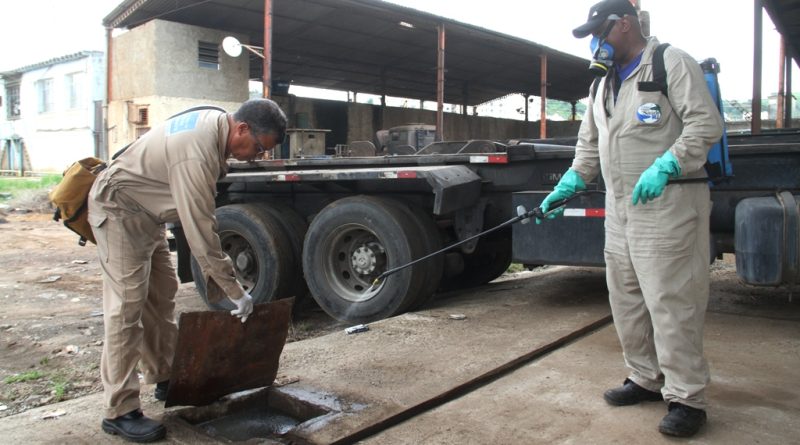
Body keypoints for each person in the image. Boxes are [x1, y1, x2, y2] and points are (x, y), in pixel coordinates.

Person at [540, 0, 723, 438]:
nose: (596, 43)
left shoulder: (669, 63)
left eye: (600, 33)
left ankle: (687, 397)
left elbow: (706, 124)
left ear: (624, 24)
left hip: (669, 204)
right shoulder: (602, 84)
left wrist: (667, 165)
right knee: (626, 298)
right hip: (620, 209)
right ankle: (645, 377)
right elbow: (588, 144)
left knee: (671, 301)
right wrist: (570, 180)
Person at [88, 99, 287, 442]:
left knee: (160, 299)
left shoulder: (215, 129)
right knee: (126, 309)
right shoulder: (197, 151)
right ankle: (119, 410)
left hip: (147, 215)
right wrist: (235, 290)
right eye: (258, 148)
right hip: (119, 210)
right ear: (241, 128)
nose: (257, 156)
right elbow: (201, 231)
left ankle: (164, 377)